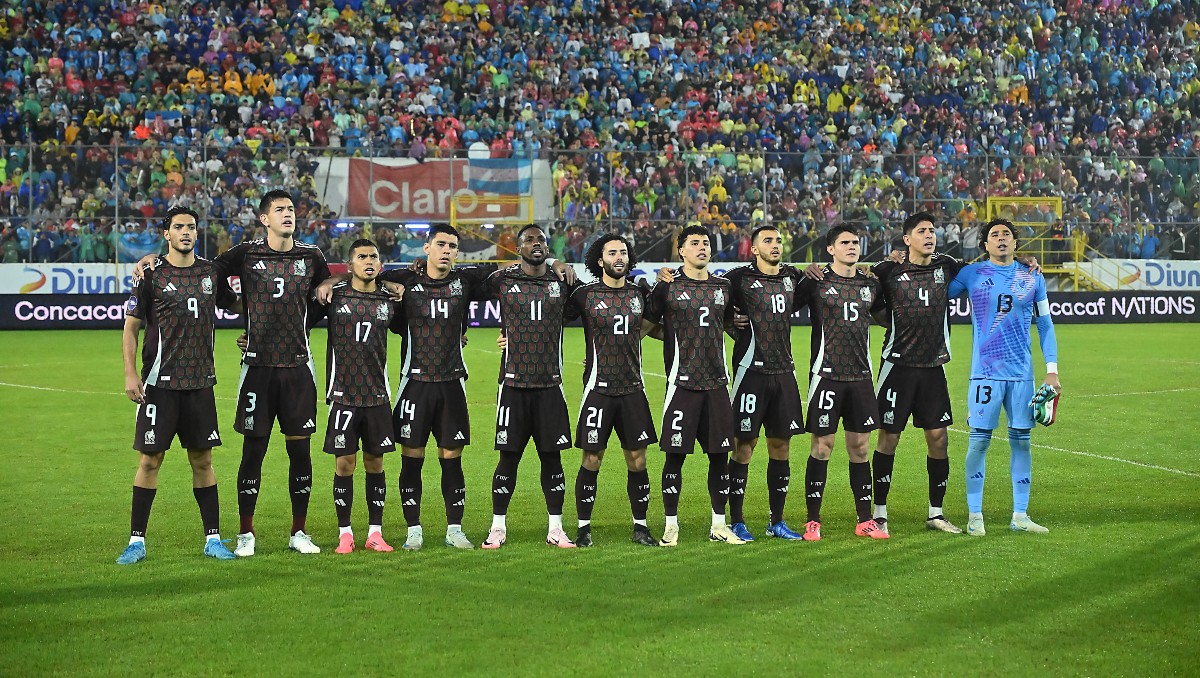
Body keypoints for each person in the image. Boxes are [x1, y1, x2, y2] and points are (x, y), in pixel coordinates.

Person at [140, 190, 332, 556]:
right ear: (264, 219)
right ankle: (246, 533)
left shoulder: (312, 256)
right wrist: (154, 258)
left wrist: (324, 285)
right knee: (253, 452)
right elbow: (200, 270)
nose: (287, 214)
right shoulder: (244, 254)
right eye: (279, 210)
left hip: (298, 367)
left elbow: (325, 288)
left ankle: (299, 532)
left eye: (291, 209)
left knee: (301, 455)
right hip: (257, 368)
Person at [116, 207, 238, 565]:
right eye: (179, 227)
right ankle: (136, 541)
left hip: (200, 384)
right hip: (159, 384)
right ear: (166, 233)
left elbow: (241, 307)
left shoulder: (211, 273)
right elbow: (131, 327)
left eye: (192, 227)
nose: (186, 232)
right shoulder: (150, 275)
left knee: (203, 459)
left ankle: (213, 539)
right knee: (150, 461)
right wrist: (129, 373)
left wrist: (254, 331)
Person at [948, 218, 1060, 536]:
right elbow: (935, 294)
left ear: (1015, 243)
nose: (1000, 239)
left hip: (1022, 376)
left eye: (1006, 235)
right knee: (978, 443)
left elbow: (1045, 325)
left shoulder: (1032, 278)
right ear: (984, 244)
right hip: (984, 374)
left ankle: (1020, 516)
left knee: (1022, 443)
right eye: (994, 235)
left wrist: (1052, 372)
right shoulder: (972, 273)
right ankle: (974, 516)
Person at [868, 213, 967, 535]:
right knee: (889, 438)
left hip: (933, 366)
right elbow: (865, 298)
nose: (930, 235)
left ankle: (936, 513)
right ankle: (879, 513)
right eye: (922, 231)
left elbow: (985, 272)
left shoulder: (947, 266)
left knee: (939, 439)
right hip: (896, 365)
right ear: (906, 239)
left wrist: (1025, 262)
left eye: (932, 231)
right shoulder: (888, 270)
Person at [482, 225, 580, 549]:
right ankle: (498, 528)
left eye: (541, 240)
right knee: (507, 459)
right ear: (518, 247)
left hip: (550, 385)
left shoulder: (561, 282)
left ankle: (556, 529)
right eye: (529, 240)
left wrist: (559, 265)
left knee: (552, 459)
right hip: (512, 385)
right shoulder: (502, 279)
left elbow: (592, 307)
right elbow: (461, 293)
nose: (536, 244)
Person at [644, 225, 742, 546]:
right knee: (675, 456)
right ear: (681, 250)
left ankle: (719, 524)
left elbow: (727, 324)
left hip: (716, 384)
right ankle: (671, 525)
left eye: (706, 243)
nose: (702, 247)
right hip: (681, 385)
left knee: (719, 457)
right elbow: (645, 327)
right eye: (694, 243)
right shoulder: (666, 287)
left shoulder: (724, 287)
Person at [564, 233, 660, 547]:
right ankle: (583, 529)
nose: (619, 257)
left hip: (633, 388)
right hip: (598, 389)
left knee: (637, 458)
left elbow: (654, 325)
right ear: (600, 260)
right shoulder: (584, 295)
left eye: (623, 252)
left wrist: (631, 340)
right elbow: (549, 318)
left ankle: (641, 527)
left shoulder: (640, 292)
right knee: (592, 458)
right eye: (612, 252)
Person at [794, 225, 889, 541]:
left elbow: (886, 316)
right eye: (844, 242)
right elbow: (781, 300)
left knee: (860, 447)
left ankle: (865, 520)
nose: (852, 246)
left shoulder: (869, 284)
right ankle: (812, 521)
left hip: (860, 377)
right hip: (826, 377)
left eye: (855, 242)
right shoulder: (815, 283)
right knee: (823, 446)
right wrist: (801, 273)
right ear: (830, 249)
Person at [312, 239, 404, 554]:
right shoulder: (334, 297)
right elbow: (297, 319)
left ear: (380, 263)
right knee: (344, 465)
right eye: (361, 256)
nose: (368, 260)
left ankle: (375, 533)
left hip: (378, 395)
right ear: (350, 264)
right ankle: (345, 533)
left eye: (373, 256)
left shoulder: (390, 299)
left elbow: (416, 328)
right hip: (343, 395)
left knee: (375, 463)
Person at [721, 225, 808, 541]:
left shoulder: (793, 278)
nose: (776, 245)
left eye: (779, 240)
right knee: (744, 446)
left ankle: (777, 521)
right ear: (753, 249)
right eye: (768, 241)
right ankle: (737, 520)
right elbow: (706, 302)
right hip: (750, 372)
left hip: (784, 372)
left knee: (781, 446)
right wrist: (731, 321)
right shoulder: (738, 279)